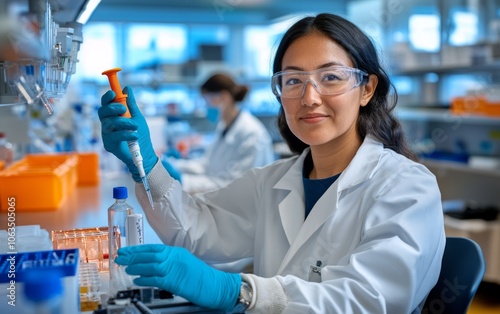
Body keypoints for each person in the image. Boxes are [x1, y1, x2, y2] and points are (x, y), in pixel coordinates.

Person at [98, 13, 446, 314]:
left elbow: (369, 301)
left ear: (367, 88)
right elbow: (195, 229)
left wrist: (240, 292)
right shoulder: (271, 183)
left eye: (330, 77)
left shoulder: (407, 188)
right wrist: (145, 164)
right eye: (293, 81)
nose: (309, 98)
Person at [163, 73, 275, 193]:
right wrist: (176, 165)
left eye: (207, 100)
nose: (206, 107)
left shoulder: (251, 133)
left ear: (224, 97)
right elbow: (208, 164)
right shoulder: (224, 126)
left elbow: (233, 186)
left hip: (247, 206)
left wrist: (183, 180)